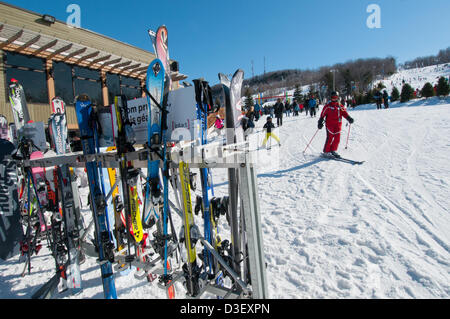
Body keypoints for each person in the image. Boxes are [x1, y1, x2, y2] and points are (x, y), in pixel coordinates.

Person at [317, 91, 354, 158]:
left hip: (338, 125)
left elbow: (344, 113)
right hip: (330, 125)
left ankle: (333, 150)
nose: (334, 99)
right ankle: (326, 151)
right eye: (333, 97)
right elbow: (322, 115)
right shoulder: (328, 106)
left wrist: (349, 118)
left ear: (338, 98)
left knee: (337, 138)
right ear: (331, 98)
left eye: (335, 97)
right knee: (330, 138)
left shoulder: (340, 106)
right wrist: (320, 122)